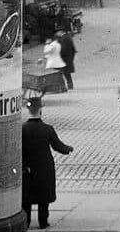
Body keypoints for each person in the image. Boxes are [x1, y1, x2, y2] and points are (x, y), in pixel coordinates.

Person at [22, 98, 73, 229]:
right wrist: (68, 149)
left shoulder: (22, 129)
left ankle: (26, 222)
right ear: (40, 110)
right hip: (44, 167)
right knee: (43, 198)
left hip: (27, 168)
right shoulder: (47, 129)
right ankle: (43, 222)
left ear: (28, 110)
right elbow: (58, 146)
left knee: (26, 198)